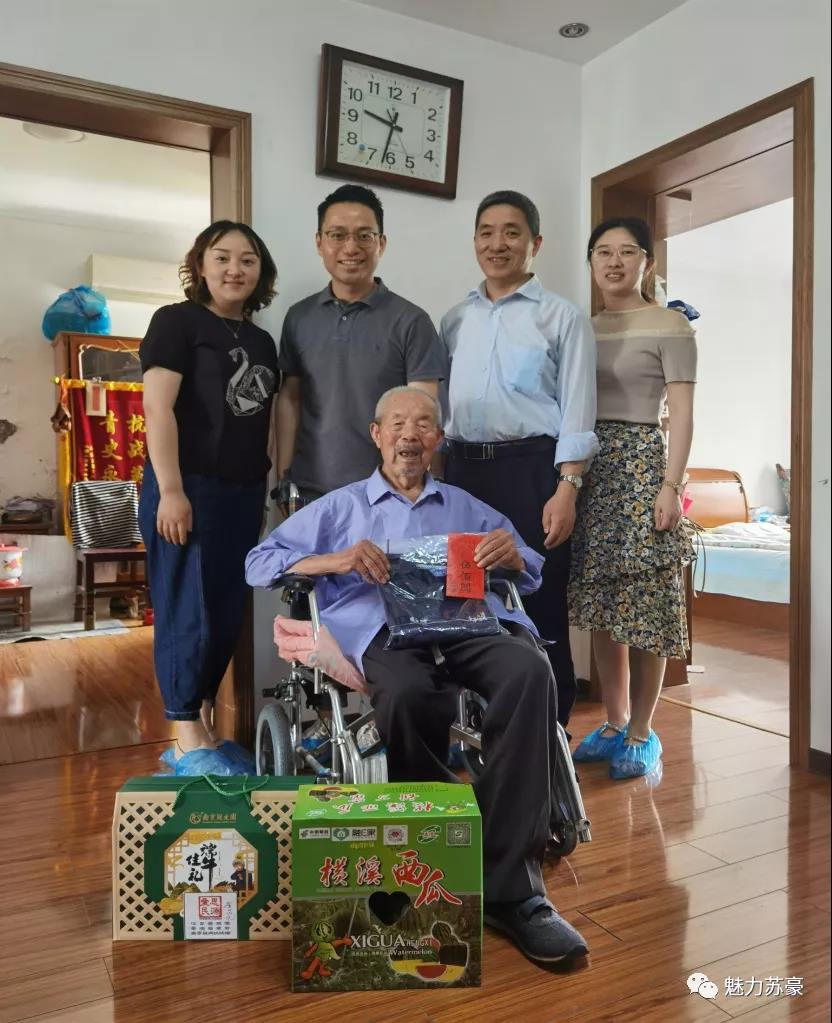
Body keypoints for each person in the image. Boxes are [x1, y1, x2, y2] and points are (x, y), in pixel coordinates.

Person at [246, 387, 588, 967]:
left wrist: (511, 554)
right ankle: (443, 843)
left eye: (424, 423)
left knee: (530, 670)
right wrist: (337, 560)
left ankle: (514, 891)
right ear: (377, 435)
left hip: (467, 624)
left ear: (438, 440)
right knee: (407, 694)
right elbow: (260, 561)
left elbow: (528, 566)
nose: (411, 434)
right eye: (398, 423)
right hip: (384, 631)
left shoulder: (463, 505)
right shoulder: (341, 508)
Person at [438, 190, 598, 728]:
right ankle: (476, 728)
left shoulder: (562, 318)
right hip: (463, 473)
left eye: (511, 232)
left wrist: (567, 488)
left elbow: (578, 409)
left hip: (532, 472)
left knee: (539, 602)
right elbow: (443, 408)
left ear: (535, 243)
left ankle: (550, 734)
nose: (497, 243)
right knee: (465, 600)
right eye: (486, 232)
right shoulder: (455, 319)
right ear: (474, 241)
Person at [139, 220, 279, 776]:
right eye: (222, 258)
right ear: (200, 265)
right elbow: (157, 409)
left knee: (224, 611)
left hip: (242, 492)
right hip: (186, 486)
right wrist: (171, 490)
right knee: (187, 607)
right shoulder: (175, 322)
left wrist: (264, 492)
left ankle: (203, 730)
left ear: (261, 272)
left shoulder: (262, 341)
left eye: (247, 260)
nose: (234, 270)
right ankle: (183, 734)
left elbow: (263, 422)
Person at [569, 217, 697, 779]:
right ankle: (614, 721)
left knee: (647, 606)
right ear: (591, 261)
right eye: (603, 252)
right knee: (602, 606)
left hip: (644, 468)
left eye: (627, 252)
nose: (614, 262)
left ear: (647, 261)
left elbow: (683, 415)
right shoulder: (582, 326)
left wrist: (672, 485)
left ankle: (644, 732)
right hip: (590, 468)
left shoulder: (671, 324)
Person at [275, 184, 446, 504]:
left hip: (385, 495)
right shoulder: (299, 317)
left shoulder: (411, 321)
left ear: (381, 243)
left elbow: (424, 415)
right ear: (319, 242)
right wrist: (284, 477)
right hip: (310, 493)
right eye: (337, 235)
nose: (351, 247)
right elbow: (290, 399)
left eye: (364, 235)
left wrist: (415, 489)